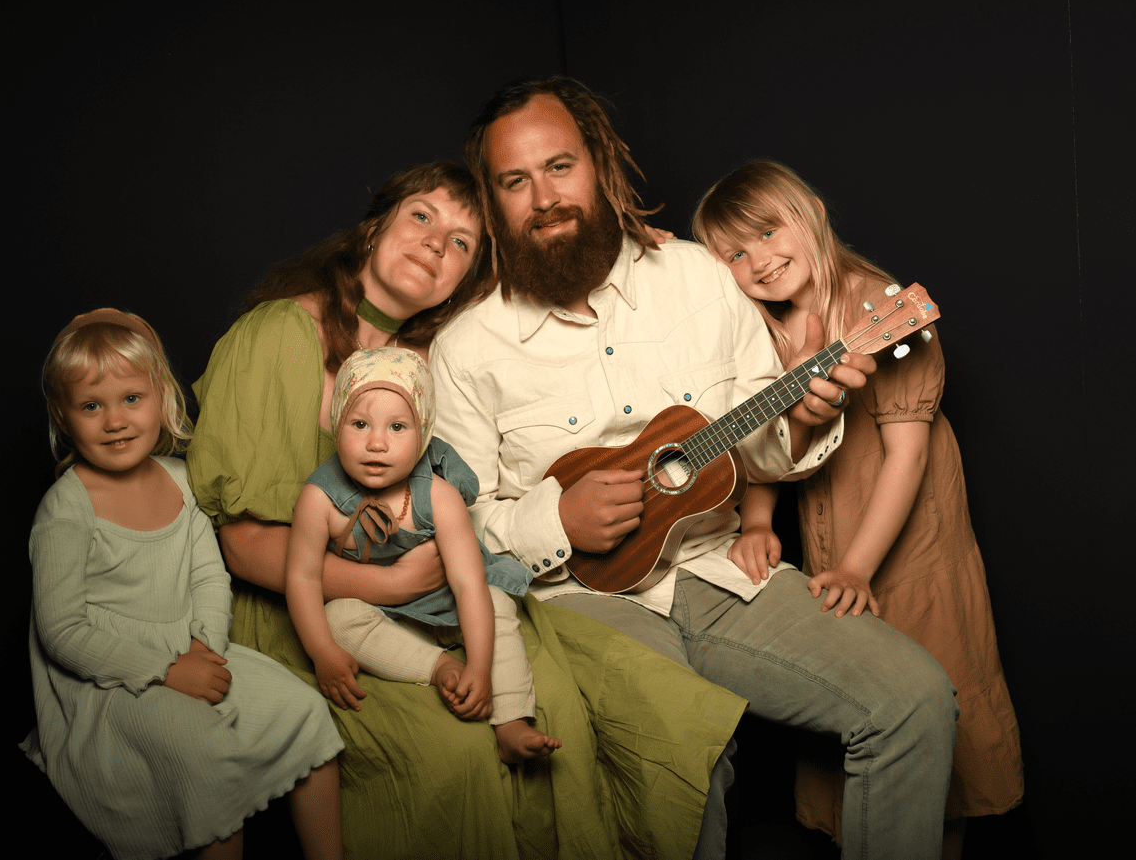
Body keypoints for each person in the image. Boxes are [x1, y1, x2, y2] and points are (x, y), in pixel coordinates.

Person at [430, 76, 959, 859]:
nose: (543, 197)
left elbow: (762, 438)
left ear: (601, 166)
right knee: (685, 753)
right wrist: (556, 519)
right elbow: (459, 527)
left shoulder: (698, 277)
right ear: (495, 199)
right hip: (580, 598)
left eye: (560, 167)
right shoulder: (467, 348)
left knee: (915, 698)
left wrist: (805, 414)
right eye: (515, 181)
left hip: (718, 570)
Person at [187, 161, 743, 859]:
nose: (435, 244)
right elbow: (242, 545)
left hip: (446, 595)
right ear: (373, 226)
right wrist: (389, 583)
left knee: (589, 704)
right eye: (423, 217)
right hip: (305, 613)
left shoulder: (432, 356)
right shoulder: (277, 336)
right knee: (454, 752)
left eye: (462, 243)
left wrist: (622, 246)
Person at [693, 160, 1023, 855]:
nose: (759, 259)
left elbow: (906, 458)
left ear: (810, 211)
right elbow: (769, 439)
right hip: (830, 546)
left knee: (941, 724)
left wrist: (857, 566)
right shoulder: (768, 331)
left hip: (910, 550)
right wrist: (756, 522)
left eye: (767, 231)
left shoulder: (878, 307)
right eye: (735, 254)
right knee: (861, 718)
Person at [22, 308, 344, 860]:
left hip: (190, 645)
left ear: (161, 397)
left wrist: (204, 645)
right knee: (204, 756)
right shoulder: (66, 508)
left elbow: (207, 577)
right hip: (110, 676)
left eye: (131, 399)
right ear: (63, 416)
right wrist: (167, 671)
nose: (115, 421)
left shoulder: (180, 480)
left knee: (306, 711)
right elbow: (62, 630)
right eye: (91, 406)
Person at [286, 346, 561, 763]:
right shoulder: (318, 499)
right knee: (336, 617)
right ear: (336, 423)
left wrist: (480, 669)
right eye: (359, 424)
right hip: (381, 609)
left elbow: (468, 584)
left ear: (424, 432)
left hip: (451, 601)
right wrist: (322, 652)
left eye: (397, 427)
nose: (376, 443)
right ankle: (438, 668)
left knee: (497, 604)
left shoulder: (438, 494)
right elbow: (303, 579)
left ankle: (510, 723)